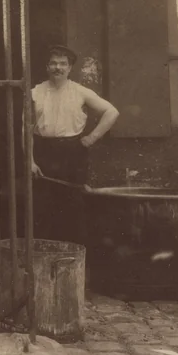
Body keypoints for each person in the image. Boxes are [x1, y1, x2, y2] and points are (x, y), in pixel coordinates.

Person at [30, 45, 119, 244]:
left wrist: (92, 138)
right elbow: (25, 128)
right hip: (42, 152)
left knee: (72, 208)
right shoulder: (35, 93)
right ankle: (43, 260)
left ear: (70, 68)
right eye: (53, 63)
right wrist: (30, 161)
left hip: (72, 155)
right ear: (47, 67)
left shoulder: (80, 92)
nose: (58, 68)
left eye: (63, 64)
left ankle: (73, 263)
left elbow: (112, 112)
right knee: (42, 209)